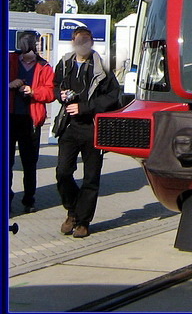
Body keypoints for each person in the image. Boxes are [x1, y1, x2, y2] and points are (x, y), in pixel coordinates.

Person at [53, 27, 120, 238]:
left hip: (92, 127)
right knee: (63, 172)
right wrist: (60, 94)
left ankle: (83, 222)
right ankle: (72, 210)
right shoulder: (65, 64)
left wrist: (85, 107)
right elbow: (54, 85)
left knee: (91, 178)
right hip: (69, 126)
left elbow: (112, 96)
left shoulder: (102, 68)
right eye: (78, 40)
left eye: (86, 40)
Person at [9, 32, 55, 213]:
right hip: (10, 118)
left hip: (32, 120)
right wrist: (10, 84)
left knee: (29, 163)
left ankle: (29, 200)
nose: (36, 48)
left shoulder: (44, 66)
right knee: (7, 162)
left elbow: (51, 92)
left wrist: (33, 91)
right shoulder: (9, 60)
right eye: (35, 44)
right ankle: (7, 199)